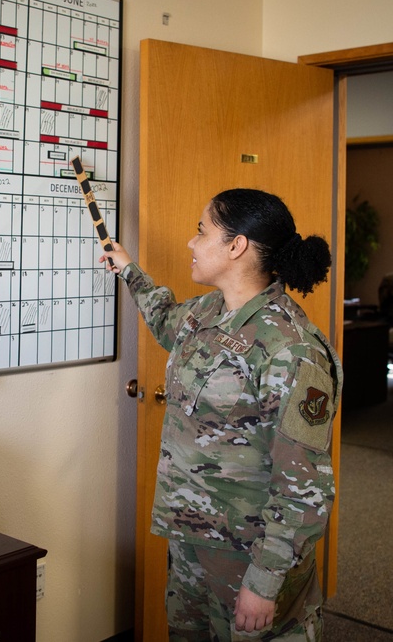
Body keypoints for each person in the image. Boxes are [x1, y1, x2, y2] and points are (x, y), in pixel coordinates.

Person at [103, 188, 342, 641]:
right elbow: (164, 317)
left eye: (201, 231)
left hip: (250, 558)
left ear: (237, 246)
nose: (191, 243)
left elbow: (304, 489)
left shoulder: (289, 350)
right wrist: (129, 271)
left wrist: (265, 582)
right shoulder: (206, 313)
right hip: (192, 543)